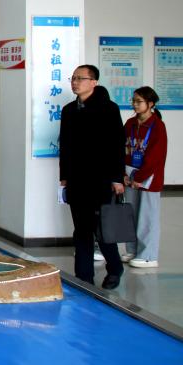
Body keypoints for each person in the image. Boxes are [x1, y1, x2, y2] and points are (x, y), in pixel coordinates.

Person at [59, 64, 125, 289]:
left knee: (102, 229)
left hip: (101, 180)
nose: (75, 82)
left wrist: (117, 178)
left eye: (80, 78)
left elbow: (117, 145)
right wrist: (64, 176)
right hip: (77, 180)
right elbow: (65, 145)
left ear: (94, 82)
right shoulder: (69, 110)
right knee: (81, 230)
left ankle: (115, 268)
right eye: (73, 78)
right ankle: (84, 277)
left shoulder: (109, 109)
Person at [122, 86, 166, 269]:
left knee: (147, 216)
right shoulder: (130, 123)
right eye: (133, 101)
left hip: (148, 179)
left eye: (139, 101)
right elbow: (121, 149)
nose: (135, 104)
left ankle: (148, 255)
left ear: (150, 104)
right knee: (131, 213)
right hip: (130, 176)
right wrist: (123, 174)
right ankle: (132, 250)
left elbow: (156, 156)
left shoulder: (158, 126)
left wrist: (139, 177)